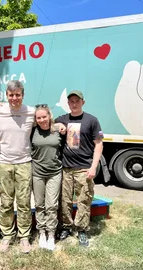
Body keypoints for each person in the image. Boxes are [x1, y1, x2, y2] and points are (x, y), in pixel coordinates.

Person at [0, 80, 35, 253]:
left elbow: (48, 122)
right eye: (11, 95)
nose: (15, 98)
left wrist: (59, 126)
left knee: (23, 202)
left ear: (23, 95)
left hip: (24, 163)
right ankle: (7, 235)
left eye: (18, 95)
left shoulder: (31, 112)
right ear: (6, 95)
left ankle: (24, 237)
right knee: (6, 202)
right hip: (3, 163)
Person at [55, 90, 103, 247]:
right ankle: (67, 227)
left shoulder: (91, 120)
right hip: (66, 168)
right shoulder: (62, 119)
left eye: (77, 101)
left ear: (83, 102)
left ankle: (82, 230)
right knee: (65, 200)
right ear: (68, 103)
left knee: (84, 200)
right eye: (71, 101)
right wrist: (58, 126)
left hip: (84, 169)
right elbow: (48, 123)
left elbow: (98, 144)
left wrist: (93, 167)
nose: (74, 104)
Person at [31, 104, 64, 251]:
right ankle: (41, 232)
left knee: (51, 205)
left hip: (54, 173)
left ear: (49, 116)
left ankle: (51, 234)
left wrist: (62, 126)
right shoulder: (32, 131)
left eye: (44, 116)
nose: (42, 120)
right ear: (35, 119)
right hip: (37, 173)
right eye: (39, 117)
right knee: (39, 204)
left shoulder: (57, 129)